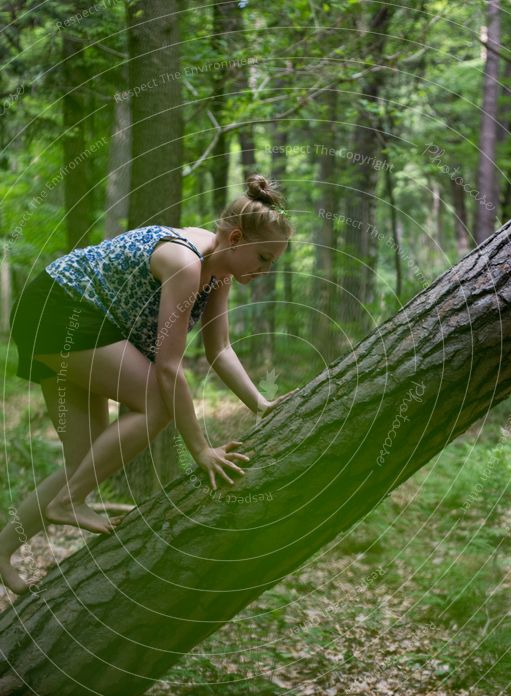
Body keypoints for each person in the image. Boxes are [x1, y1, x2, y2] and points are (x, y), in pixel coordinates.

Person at [1, 173, 296, 595]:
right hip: (60, 310)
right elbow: (168, 368)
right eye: (264, 258)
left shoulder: (220, 272)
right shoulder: (186, 263)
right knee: (157, 403)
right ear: (235, 239)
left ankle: (4, 547)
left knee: (83, 458)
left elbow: (221, 349)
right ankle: (69, 502)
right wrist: (200, 449)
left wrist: (260, 405)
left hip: (69, 313)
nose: (267, 270)